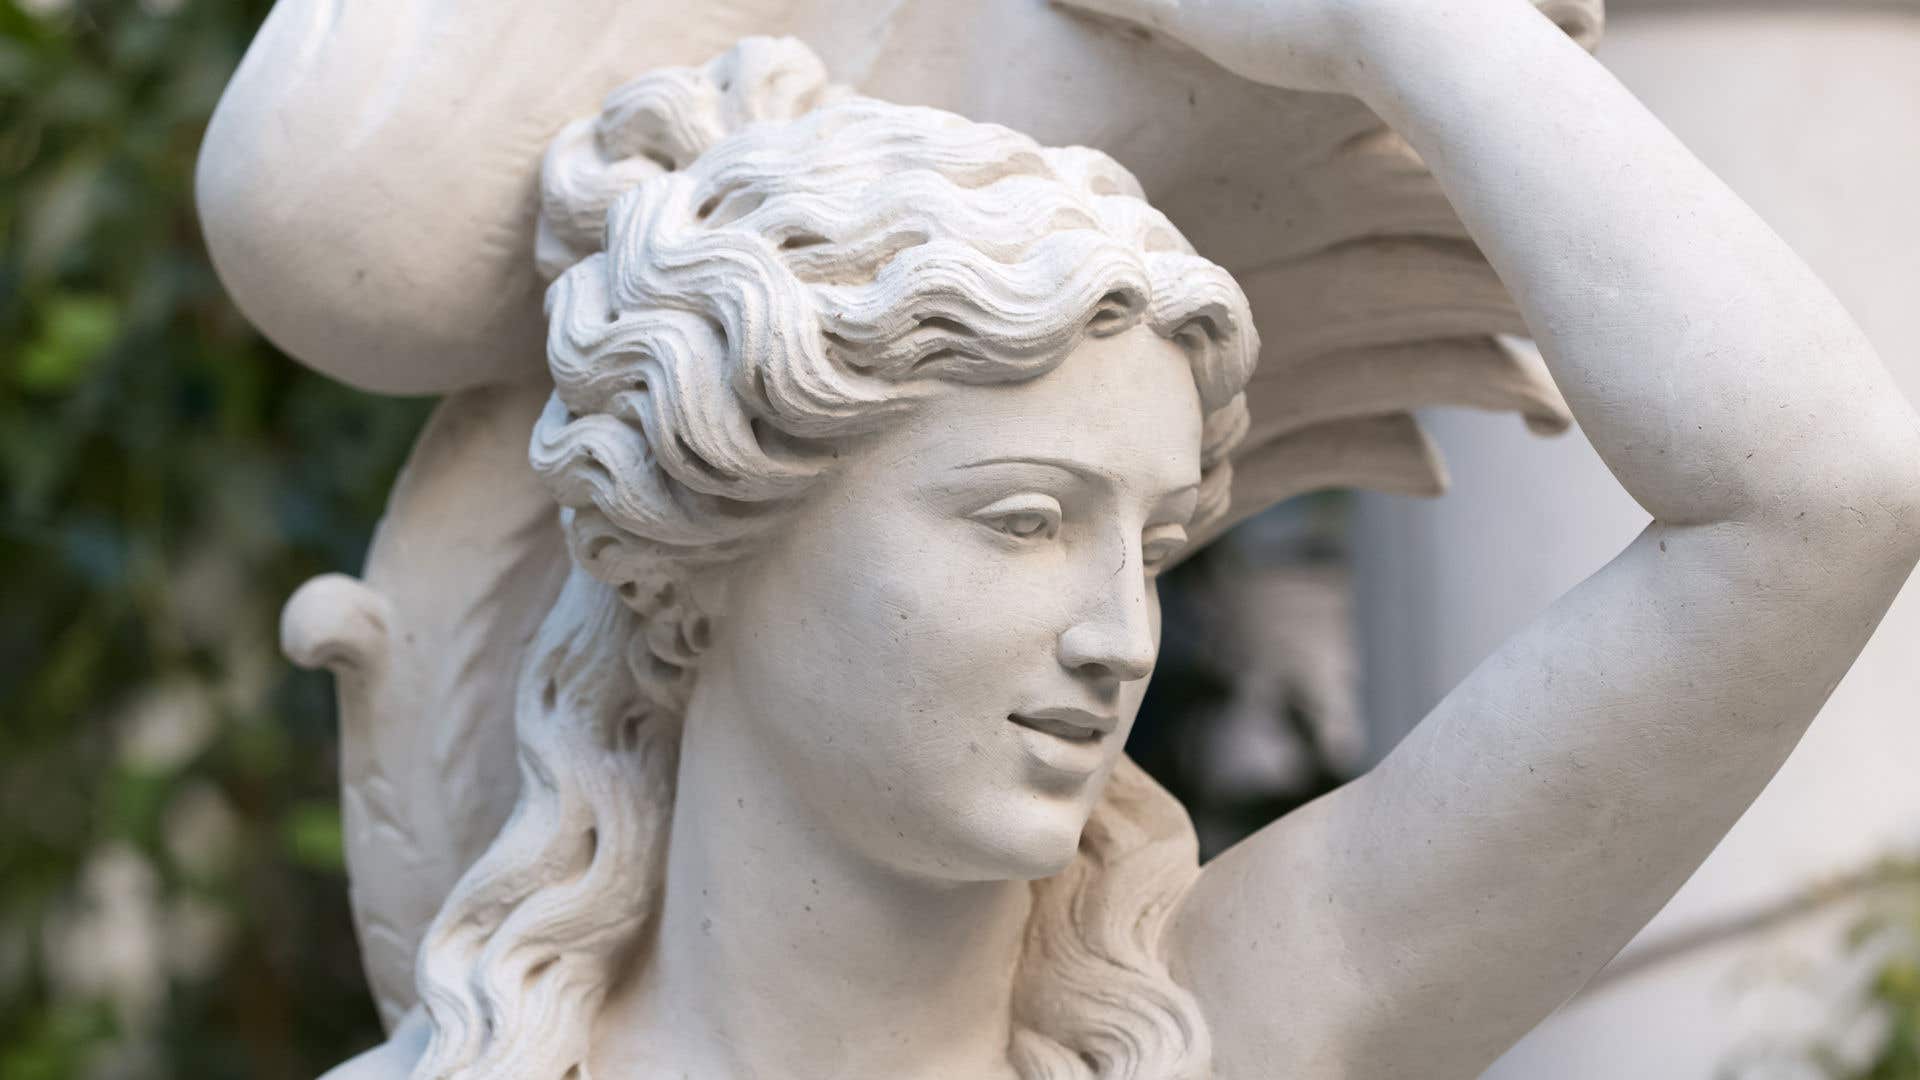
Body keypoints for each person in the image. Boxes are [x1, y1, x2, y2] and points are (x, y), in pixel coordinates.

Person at [327, 1, 1920, 1076]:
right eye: (1022, 521)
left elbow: (1820, 497)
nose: (1117, 636)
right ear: (707, 530)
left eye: (1152, 547)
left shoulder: (1243, 1013)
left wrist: (1394, 23)